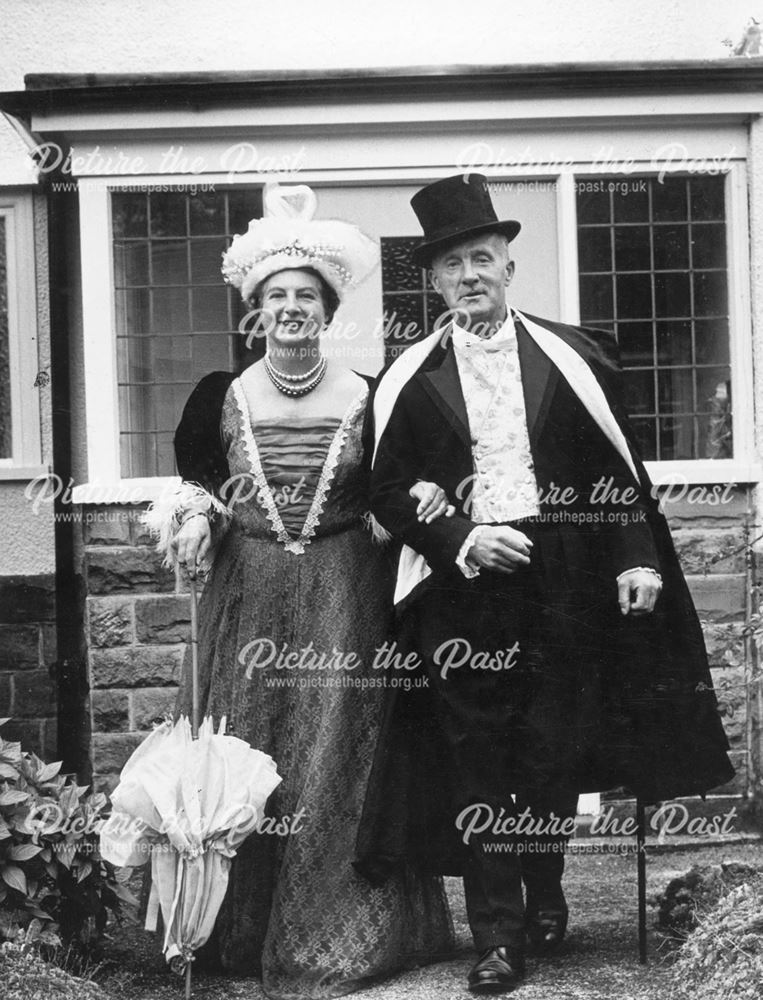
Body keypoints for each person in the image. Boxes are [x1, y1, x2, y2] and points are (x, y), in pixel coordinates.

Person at [355, 173, 735, 994]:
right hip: (463, 589)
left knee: (553, 741)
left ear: (507, 265)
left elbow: (618, 471)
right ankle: (496, 934)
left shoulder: (576, 356)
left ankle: (546, 885)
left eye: (481, 258)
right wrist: (459, 535)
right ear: (433, 280)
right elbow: (384, 491)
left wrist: (636, 557)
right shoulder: (407, 376)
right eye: (452, 265)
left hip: (566, 576)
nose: (469, 277)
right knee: (478, 750)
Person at [156, 185, 455, 999]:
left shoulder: (372, 392)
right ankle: (233, 933)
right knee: (244, 744)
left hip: (343, 588)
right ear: (255, 309)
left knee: (335, 747)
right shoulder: (218, 396)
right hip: (246, 589)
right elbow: (199, 486)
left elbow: (403, 483)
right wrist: (190, 519)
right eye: (275, 297)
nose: (290, 309)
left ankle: (336, 934)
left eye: (306, 297)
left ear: (327, 309)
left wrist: (418, 505)